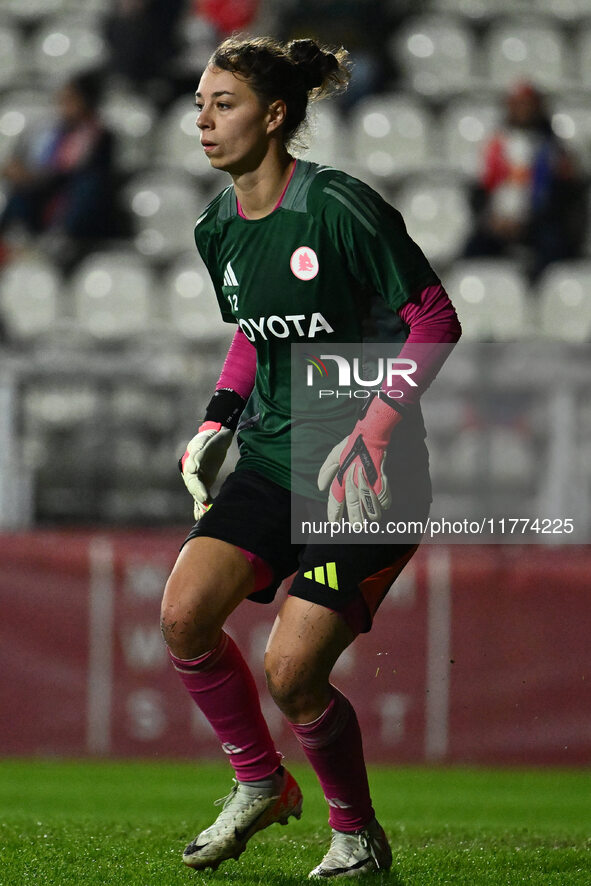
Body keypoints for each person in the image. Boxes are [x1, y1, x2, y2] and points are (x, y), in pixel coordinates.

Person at [161, 35, 461, 878]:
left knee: (292, 673)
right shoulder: (215, 226)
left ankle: (357, 834)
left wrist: (374, 425)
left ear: (277, 114)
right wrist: (216, 418)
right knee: (183, 615)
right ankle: (260, 783)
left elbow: (434, 319)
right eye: (198, 106)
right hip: (271, 455)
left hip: (370, 475)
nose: (204, 122)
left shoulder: (338, 207)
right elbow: (258, 336)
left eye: (224, 105)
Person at [462, 80, 585, 281]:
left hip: (539, 224)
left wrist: (529, 220)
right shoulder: (494, 146)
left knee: (553, 250)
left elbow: (565, 198)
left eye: (527, 104)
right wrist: (491, 219)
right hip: (498, 224)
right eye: (517, 104)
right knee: (472, 252)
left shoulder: (556, 149)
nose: (522, 110)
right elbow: (479, 191)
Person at [0, 71, 115, 265]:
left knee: (88, 185)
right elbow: (24, 160)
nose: (63, 105)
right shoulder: (47, 131)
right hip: (41, 190)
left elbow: (72, 170)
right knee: (20, 190)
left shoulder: (99, 135)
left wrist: (33, 176)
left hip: (71, 195)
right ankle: (11, 236)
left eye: (70, 99)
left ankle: (62, 239)